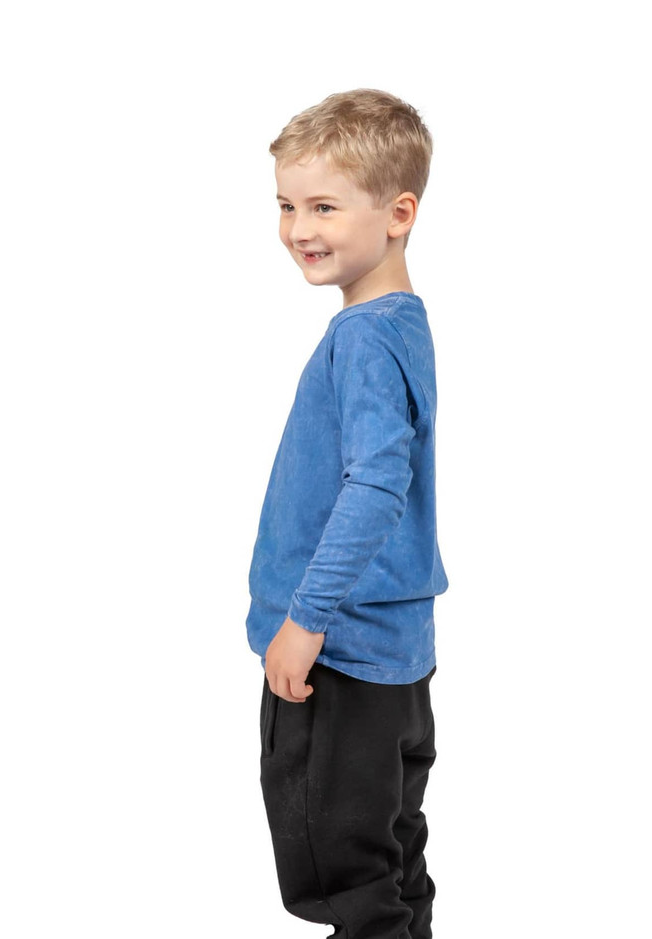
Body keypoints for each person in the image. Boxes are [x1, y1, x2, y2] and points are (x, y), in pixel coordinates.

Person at [245, 88, 449, 939]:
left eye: (324, 205)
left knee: (344, 873)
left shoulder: (364, 337)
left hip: (340, 652)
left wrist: (304, 617)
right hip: (395, 657)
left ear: (398, 212)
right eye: (287, 205)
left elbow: (376, 486)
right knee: (394, 855)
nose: (299, 228)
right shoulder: (398, 322)